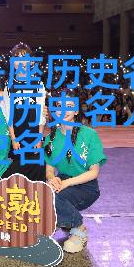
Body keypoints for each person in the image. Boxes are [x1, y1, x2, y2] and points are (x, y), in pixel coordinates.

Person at [44, 92, 107, 254]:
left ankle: (79, 228)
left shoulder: (89, 135)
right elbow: (49, 169)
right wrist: (52, 179)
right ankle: (62, 220)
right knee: (41, 193)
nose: (64, 110)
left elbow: (94, 172)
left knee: (53, 198)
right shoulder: (50, 137)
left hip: (86, 186)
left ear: (76, 110)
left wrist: (66, 183)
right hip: (63, 181)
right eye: (59, 106)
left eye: (69, 106)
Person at [0, 43, 47, 182]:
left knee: (37, 170)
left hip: (33, 135)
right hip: (18, 136)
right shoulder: (9, 87)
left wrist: (39, 138)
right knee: (18, 175)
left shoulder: (38, 85)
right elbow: (8, 115)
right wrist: (13, 139)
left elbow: (41, 114)